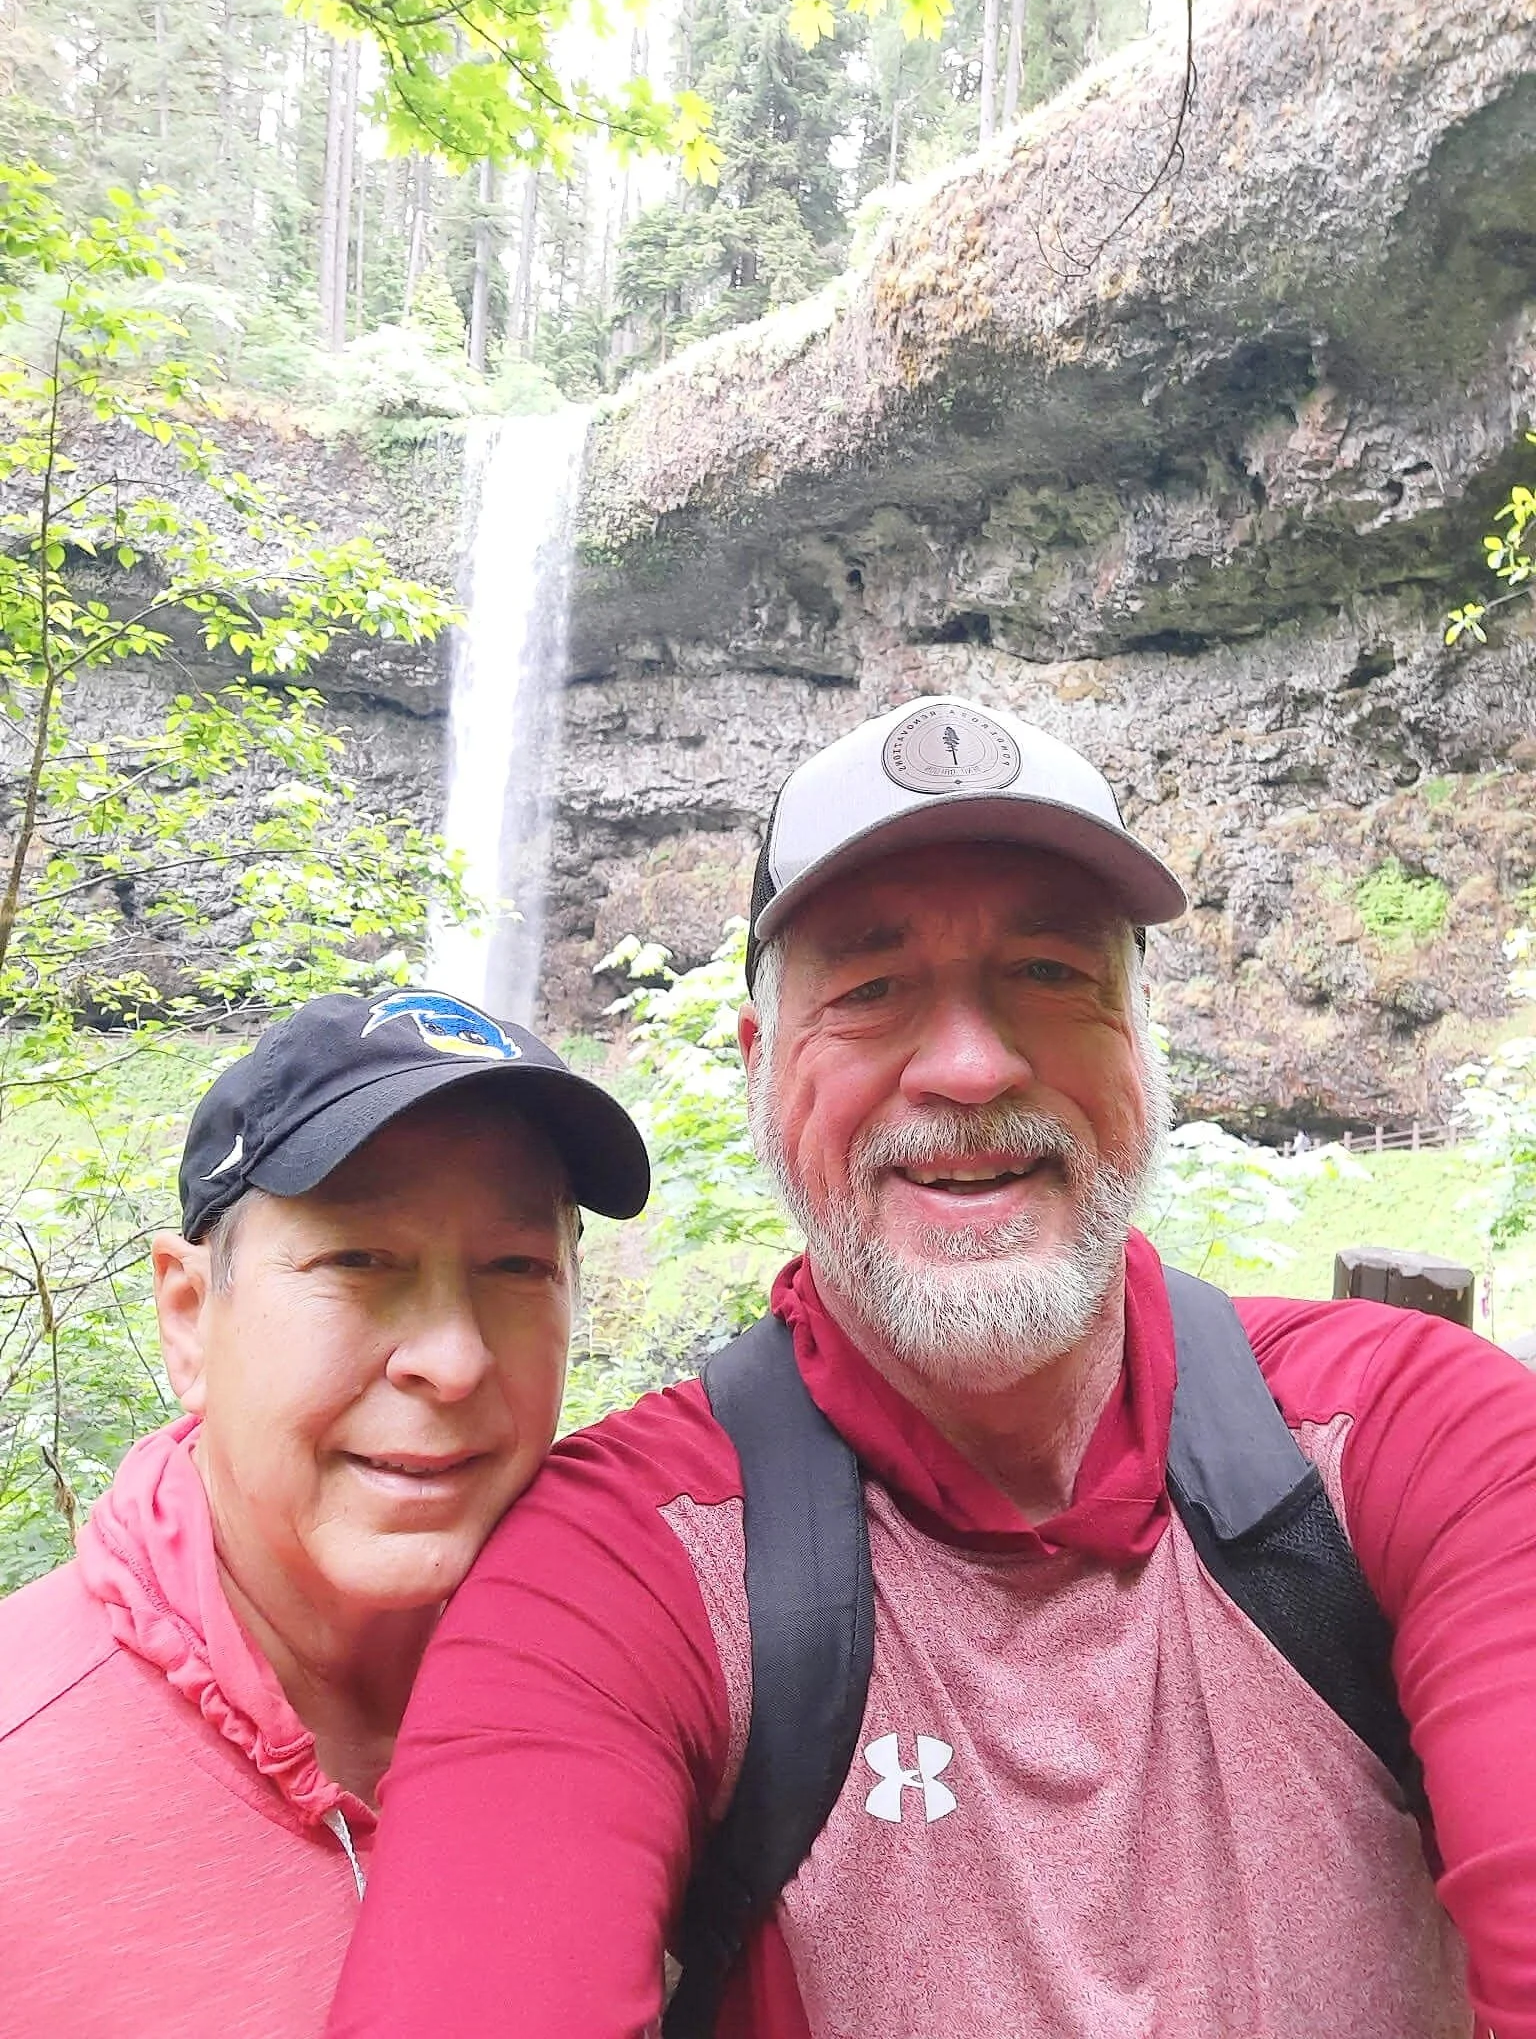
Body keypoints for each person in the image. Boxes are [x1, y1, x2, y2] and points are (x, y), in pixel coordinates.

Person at [327, 699, 1536, 2039]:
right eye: (870, 989)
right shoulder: (621, 1567)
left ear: (1144, 1042)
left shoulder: (1420, 1438)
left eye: (1051, 973)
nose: (969, 1065)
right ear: (760, 1067)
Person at [0, 987, 648, 2039]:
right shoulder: (23, 1765)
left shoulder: (655, 1699)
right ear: (189, 1315)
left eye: (516, 1267)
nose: (453, 1359)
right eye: (359, 1260)